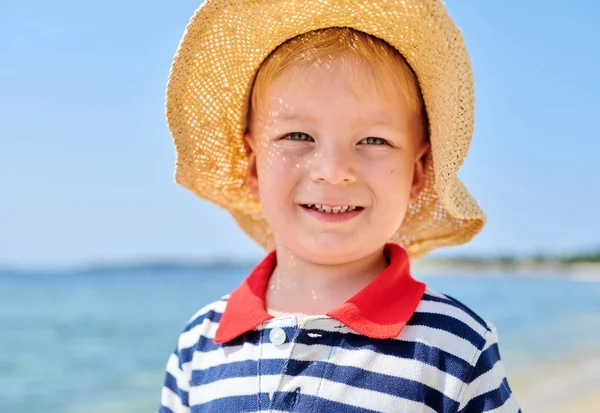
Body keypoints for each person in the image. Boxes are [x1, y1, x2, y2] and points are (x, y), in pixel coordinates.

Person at [159, 0, 521, 411]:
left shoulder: (455, 346)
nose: (333, 171)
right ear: (254, 163)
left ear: (416, 173)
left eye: (373, 140)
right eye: (297, 135)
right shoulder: (200, 343)